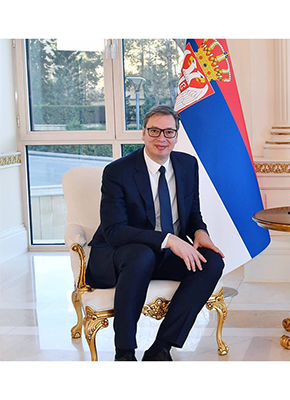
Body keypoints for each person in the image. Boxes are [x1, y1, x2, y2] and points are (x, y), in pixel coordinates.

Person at [86, 105, 225, 361]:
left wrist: (200, 231)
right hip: (121, 253)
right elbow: (115, 231)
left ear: (176, 136)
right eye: (154, 131)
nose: (162, 138)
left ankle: (161, 348)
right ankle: (124, 353)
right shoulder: (118, 172)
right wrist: (168, 240)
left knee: (212, 261)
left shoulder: (187, 165)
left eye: (169, 132)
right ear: (143, 133)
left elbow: (192, 212)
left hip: (162, 254)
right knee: (141, 256)